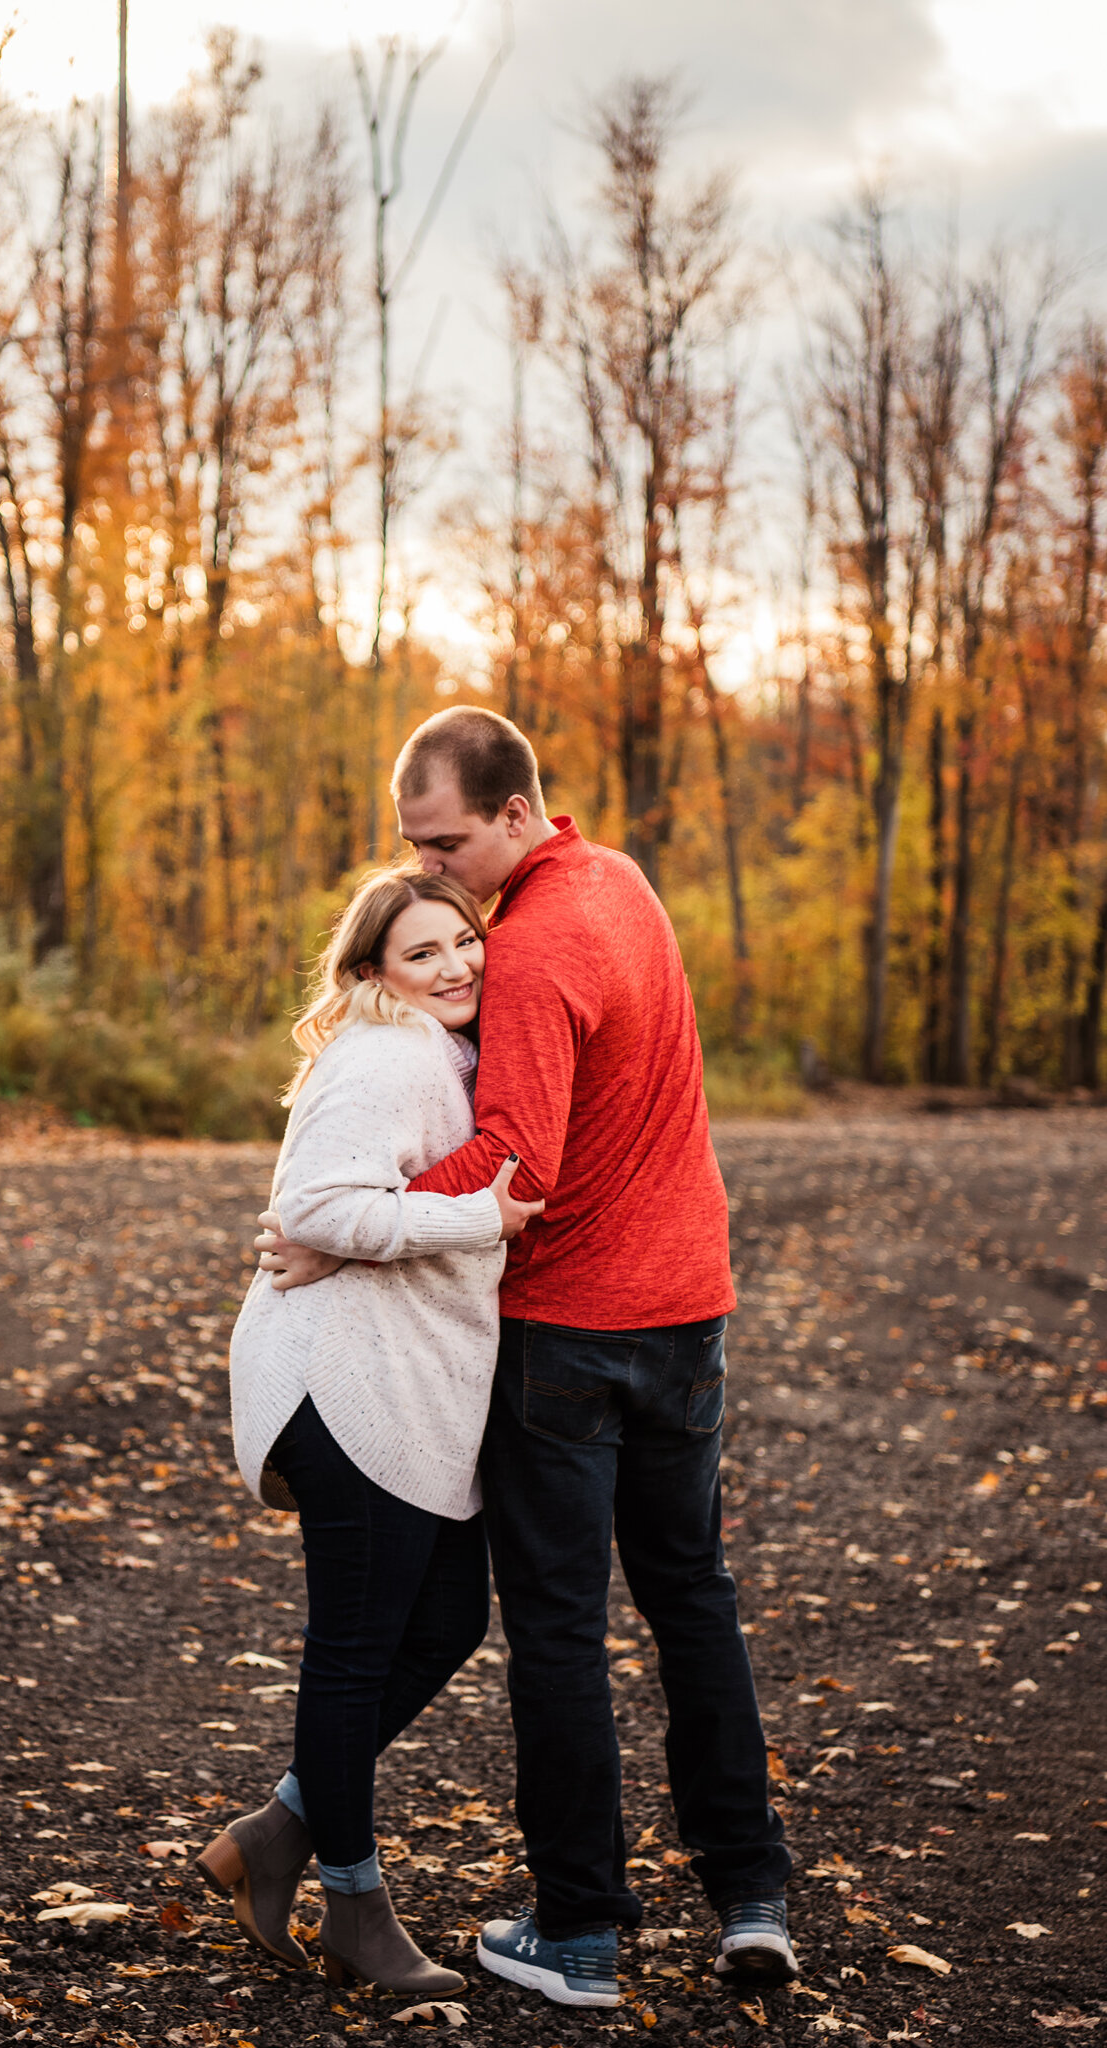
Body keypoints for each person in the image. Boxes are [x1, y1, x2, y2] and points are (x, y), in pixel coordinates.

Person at [258, 706, 794, 2010]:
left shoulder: (540, 940)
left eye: (442, 845)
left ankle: (579, 1933)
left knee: (555, 1628)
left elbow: (514, 1161)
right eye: (413, 853)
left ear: (512, 814)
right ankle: (751, 1895)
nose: (429, 870)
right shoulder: (619, 882)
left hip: (575, 1332)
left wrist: (348, 1233)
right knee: (691, 1598)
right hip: (690, 1313)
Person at [196, 865, 542, 1996]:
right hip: (339, 1385)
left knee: (442, 1616)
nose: (453, 967)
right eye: (420, 953)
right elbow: (314, 1209)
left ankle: (276, 1832)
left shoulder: (445, 1050)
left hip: (395, 1383)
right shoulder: (386, 1052)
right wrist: (474, 1213)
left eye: (462, 942)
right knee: (352, 1651)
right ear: (370, 975)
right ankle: (354, 1904)